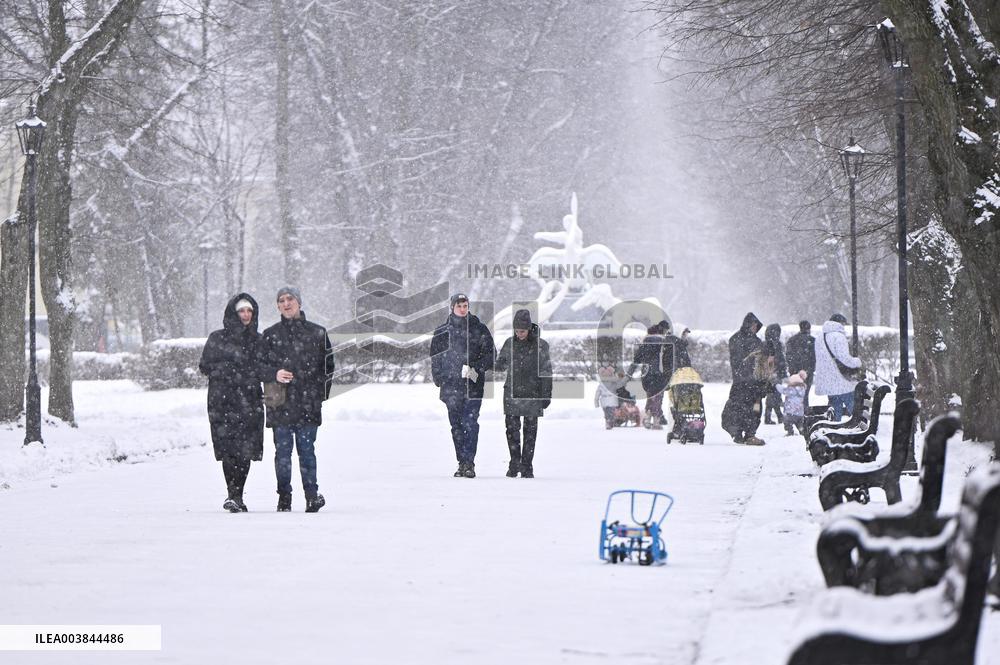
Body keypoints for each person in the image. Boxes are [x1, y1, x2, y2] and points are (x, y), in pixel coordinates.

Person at [261, 286, 335, 513]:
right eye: (281, 300)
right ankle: (284, 498)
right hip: (278, 401)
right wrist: (273, 374)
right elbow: (259, 367)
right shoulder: (270, 334)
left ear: (299, 303)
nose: (286, 303)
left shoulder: (317, 333)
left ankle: (311, 496)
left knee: (306, 451)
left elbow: (328, 368)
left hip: (307, 403)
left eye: (290, 299)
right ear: (277, 306)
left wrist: (317, 395)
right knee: (282, 454)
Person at [198, 293, 267, 512]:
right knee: (228, 449)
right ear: (233, 312)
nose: (246, 315)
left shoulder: (258, 340)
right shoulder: (217, 338)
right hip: (222, 400)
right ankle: (232, 494)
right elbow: (205, 366)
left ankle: (237, 494)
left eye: (249, 311)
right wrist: (226, 371)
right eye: (242, 311)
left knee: (245, 449)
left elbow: (265, 368)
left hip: (249, 400)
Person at [430, 293, 496, 478]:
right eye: (459, 305)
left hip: (473, 386)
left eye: (465, 305)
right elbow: (435, 357)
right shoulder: (442, 331)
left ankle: (469, 462)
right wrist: (439, 377)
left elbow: (491, 355)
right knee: (456, 426)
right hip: (450, 387)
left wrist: (476, 367)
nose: (462, 309)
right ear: (452, 307)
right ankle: (462, 462)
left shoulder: (479, 329)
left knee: (470, 423)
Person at [494, 309, 552, 478]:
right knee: (511, 431)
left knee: (530, 433)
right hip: (512, 393)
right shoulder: (509, 344)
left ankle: (527, 466)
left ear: (529, 328)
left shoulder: (541, 346)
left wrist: (546, 394)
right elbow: (500, 366)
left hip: (533, 394)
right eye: (517, 331)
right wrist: (488, 359)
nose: (519, 334)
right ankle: (514, 463)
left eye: (522, 331)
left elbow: (547, 372)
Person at [721, 312, 769, 445]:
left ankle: (746, 433)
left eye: (756, 326)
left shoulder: (743, 340)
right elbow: (740, 361)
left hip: (747, 381)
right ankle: (744, 434)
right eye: (753, 325)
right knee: (745, 408)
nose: (754, 328)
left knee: (749, 407)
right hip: (745, 381)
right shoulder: (741, 340)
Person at [814, 313, 862, 420]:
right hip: (840, 380)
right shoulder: (838, 336)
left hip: (827, 379)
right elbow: (844, 358)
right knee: (852, 408)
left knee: (836, 409)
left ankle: (835, 429)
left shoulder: (820, 337)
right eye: (844, 324)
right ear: (840, 323)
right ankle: (857, 427)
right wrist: (857, 362)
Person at [627, 323, 668, 430]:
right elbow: (669, 360)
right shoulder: (664, 343)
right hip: (660, 374)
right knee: (658, 397)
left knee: (651, 396)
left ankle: (647, 418)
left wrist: (629, 374)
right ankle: (656, 421)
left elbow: (636, 360)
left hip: (646, 375)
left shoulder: (644, 344)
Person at [786, 320, 816, 407]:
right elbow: (814, 357)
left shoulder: (792, 340)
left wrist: (793, 370)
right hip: (808, 372)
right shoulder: (812, 341)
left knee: (796, 394)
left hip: (795, 372)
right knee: (805, 394)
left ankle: (795, 413)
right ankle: (804, 412)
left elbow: (789, 357)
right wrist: (810, 369)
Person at [763, 323, 788, 424]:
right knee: (775, 395)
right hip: (775, 372)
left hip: (769, 373)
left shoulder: (765, 344)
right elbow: (780, 359)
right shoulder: (776, 344)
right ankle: (778, 416)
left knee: (772, 395)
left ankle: (770, 417)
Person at [775, 370, 808, 436]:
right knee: (800, 423)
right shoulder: (802, 389)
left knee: (787, 422)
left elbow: (782, 390)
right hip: (800, 412)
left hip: (790, 412)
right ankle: (802, 430)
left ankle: (790, 431)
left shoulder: (790, 389)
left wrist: (777, 384)